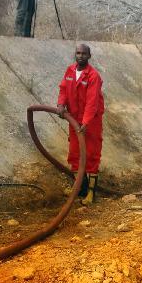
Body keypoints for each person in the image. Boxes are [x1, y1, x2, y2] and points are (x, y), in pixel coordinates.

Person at [57, 43, 104, 205]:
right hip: (74, 119)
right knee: (75, 153)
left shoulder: (93, 76)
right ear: (75, 54)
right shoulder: (70, 71)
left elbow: (92, 102)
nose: (80, 56)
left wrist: (86, 122)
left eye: (84, 53)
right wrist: (61, 104)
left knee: (91, 154)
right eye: (78, 53)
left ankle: (91, 194)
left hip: (90, 122)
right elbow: (63, 89)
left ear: (89, 56)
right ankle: (80, 189)